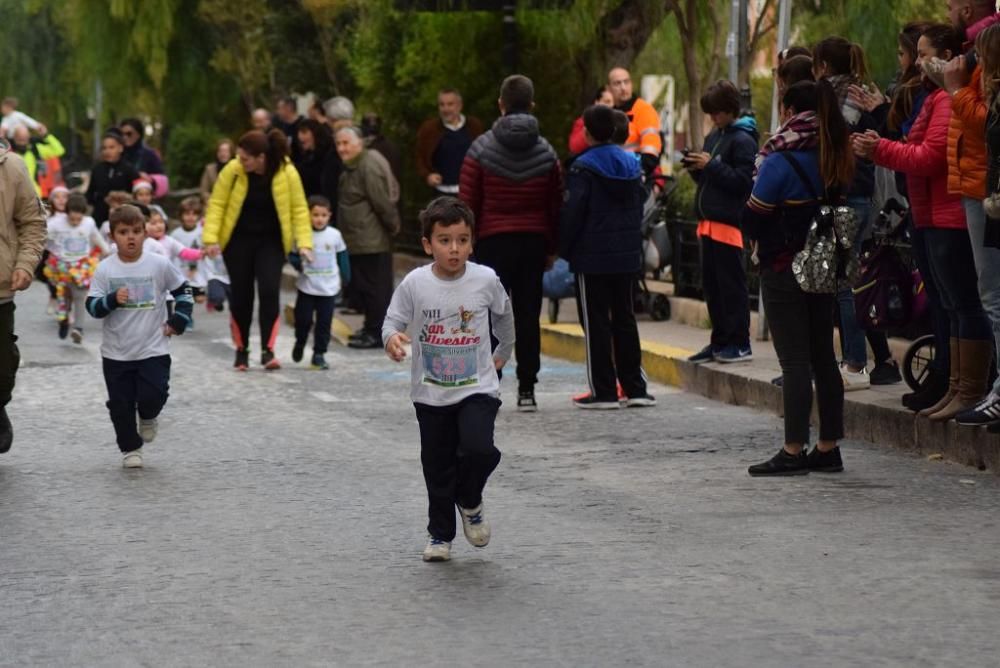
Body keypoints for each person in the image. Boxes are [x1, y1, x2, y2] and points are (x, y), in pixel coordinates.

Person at [854, 24, 993, 421]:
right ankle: (954, 385)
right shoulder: (934, 98)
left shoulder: (949, 100)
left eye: (923, 53)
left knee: (965, 303)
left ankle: (969, 387)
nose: (916, 62)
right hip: (930, 212)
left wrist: (878, 148)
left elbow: (930, 156)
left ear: (946, 56)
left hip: (948, 213)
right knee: (949, 304)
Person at [382, 196, 514, 562]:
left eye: (462, 240)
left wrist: (504, 351)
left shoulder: (485, 279)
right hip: (430, 392)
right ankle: (440, 535)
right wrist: (392, 339)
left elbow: (504, 316)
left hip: (478, 386)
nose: (454, 249)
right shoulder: (415, 284)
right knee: (437, 465)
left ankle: (470, 499)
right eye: (444, 240)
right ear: (428, 244)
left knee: (479, 449)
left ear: (472, 242)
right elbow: (392, 322)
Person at [742, 80, 852, 476]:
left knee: (793, 361)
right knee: (824, 354)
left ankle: (792, 449)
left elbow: (753, 214)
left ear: (788, 110)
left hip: (783, 265)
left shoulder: (780, 159)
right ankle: (828, 446)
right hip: (822, 263)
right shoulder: (835, 151)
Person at [459, 74, 563, 412]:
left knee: (489, 314)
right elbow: (555, 204)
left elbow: (468, 200)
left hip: (492, 241)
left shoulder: (481, 149)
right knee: (528, 315)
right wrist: (550, 247)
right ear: (532, 105)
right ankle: (528, 388)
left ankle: (489, 384)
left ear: (500, 104)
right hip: (532, 242)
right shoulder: (546, 151)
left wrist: (466, 242)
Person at [813, 37, 900, 389]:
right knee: (854, 283)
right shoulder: (859, 92)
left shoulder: (833, 97)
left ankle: (855, 365)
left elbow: (835, 141)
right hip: (861, 194)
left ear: (822, 66)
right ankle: (881, 361)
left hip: (845, 194)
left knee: (844, 286)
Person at [559, 104, 654, 409]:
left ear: (586, 132)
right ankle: (635, 387)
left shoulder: (582, 168)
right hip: (626, 256)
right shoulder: (632, 164)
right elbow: (640, 204)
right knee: (625, 319)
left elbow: (573, 214)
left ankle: (603, 390)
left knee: (596, 321)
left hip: (592, 257)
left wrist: (563, 248)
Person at [85, 204, 194, 469]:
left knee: (153, 395)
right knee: (120, 404)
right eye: (123, 232)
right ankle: (130, 448)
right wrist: (111, 300)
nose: (131, 237)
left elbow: (183, 291)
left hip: (153, 347)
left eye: (136, 231)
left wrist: (178, 321)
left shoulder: (158, 264)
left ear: (145, 234)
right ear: (113, 237)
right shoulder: (105, 269)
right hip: (116, 351)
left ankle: (148, 415)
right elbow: (92, 307)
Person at [203, 129, 312, 370]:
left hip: (271, 242)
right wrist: (210, 239)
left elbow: (299, 209)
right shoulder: (233, 171)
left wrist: (304, 243)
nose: (240, 162)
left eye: (245, 158)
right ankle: (242, 351)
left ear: (261, 157)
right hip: (237, 241)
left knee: (269, 289)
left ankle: (268, 350)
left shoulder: (287, 172)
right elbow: (217, 204)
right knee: (242, 295)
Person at [683, 80, 758, 364]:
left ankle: (739, 342)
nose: (713, 118)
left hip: (728, 224)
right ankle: (720, 340)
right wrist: (695, 168)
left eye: (716, 112)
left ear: (730, 109)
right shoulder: (715, 136)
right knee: (712, 288)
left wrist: (711, 166)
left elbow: (743, 182)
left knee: (731, 286)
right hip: (708, 223)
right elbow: (708, 180)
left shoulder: (743, 140)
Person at [954, 21, 1000, 426]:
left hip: (989, 197)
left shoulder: (987, 96)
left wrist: (956, 89)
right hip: (981, 193)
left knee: (993, 299)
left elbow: (983, 127)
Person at [334, 126, 401, 349]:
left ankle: (377, 331)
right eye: (339, 144)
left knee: (375, 289)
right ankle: (371, 326)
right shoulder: (352, 166)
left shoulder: (368, 164)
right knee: (364, 287)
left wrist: (393, 226)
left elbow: (381, 201)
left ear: (359, 143)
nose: (342, 148)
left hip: (371, 239)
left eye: (346, 143)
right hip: (359, 239)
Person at [0, 137, 47, 454]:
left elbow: (32, 222)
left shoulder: (11, 167)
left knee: (2, 371)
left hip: (1, 290)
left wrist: (26, 265)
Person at [290, 195, 349, 370]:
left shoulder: (335, 235)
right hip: (307, 287)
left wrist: (346, 277)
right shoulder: (302, 235)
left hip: (328, 289)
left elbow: (342, 256)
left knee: (324, 323)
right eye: (315, 214)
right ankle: (300, 341)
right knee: (303, 320)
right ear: (308, 215)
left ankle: (319, 354)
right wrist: (299, 264)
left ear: (329, 215)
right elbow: (292, 255)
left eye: (323, 215)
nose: (319, 219)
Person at [43, 193, 109, 342]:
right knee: (64, 295)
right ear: (66, 213)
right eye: (72, 219)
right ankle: (64, 319)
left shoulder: (89, 223)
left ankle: (78, 329)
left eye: (78, 219)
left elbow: (96, 237)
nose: (75, 222)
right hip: (61, 265)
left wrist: (106, 251)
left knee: (80, 296)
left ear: (84, 215)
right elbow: (42, 237)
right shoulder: (55, 223)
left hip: (81, 265)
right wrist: (48, 249)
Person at [416, 88, 484, 196]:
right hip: (441, 193)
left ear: (459, 105)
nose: (445, 109)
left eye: (450, 104)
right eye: (442, 105)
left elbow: (484, 155)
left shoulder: (474, 126)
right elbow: (419, 157)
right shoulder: (430, 129)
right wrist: (427, 175)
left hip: (470, 192)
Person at [607, 67, 662, 177]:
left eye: (626, 82)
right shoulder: (609, 113)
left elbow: (651, 150)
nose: (623, 87)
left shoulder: (644, 110)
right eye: (617, 83)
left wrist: (640, 173)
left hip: (635, 174)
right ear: (609, 88)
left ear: (631, 84)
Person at [86, 130, 140, 226]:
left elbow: (137, 194)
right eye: (104, 148)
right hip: (100, 217)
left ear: (120, 148)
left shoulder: (129, 169)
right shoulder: (97, 169)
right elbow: (90, 194)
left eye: (111, 147)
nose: (107, 151)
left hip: (124, 217)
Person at [7, 124, 64, 196]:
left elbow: (59, 150)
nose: (22, 143)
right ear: (14, 138)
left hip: (33, 192)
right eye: (19, 139)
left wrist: (46, 135)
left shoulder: (35, 149)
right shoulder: (7, 151)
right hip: (12, 193)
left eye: (24, 139)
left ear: (29, 138)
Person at [170, 196, 207, 303]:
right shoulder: (175, 234)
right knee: (184, 301)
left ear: (199, 216)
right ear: (181, 216)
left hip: (198, 273)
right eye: (187, 214)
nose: (190, 217)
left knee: (200, 299)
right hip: (182, 272)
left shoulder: (202, 232)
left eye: (194, 214)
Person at [294, 119, 335, 197]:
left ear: (315, 133)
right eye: (298, 133)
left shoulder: (328, 155)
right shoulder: (306, 156)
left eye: (304, 132)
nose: (300, 136)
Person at [568, 87, 614, 157]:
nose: (611, 106)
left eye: (613, 102)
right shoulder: (583, 121)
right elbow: (574, 146)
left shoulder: (618, 120)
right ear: (597, 102)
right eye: (607, 102)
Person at [199, 139, 235, 203]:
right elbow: (204, 191)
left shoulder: (237, 169)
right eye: (220, 151)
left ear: (231, 153)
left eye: (226, 151)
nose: (223, 154)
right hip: (213, 204)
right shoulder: (209, 169)